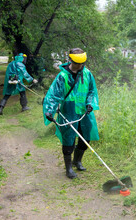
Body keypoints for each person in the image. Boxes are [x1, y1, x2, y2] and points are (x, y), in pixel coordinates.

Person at [43, 48, 99, 179]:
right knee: (68, 139)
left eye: (82, 63)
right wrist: (50, 110)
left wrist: (90, 103)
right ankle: (68, 168)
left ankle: (77, 161)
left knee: (85, 137)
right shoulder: (62, 76)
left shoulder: (87, 73)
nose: (80, 66)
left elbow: (92, 91)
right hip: (68, 110)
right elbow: (53, 96)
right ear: (70, 60)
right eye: (77, 63)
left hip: (85, 110)